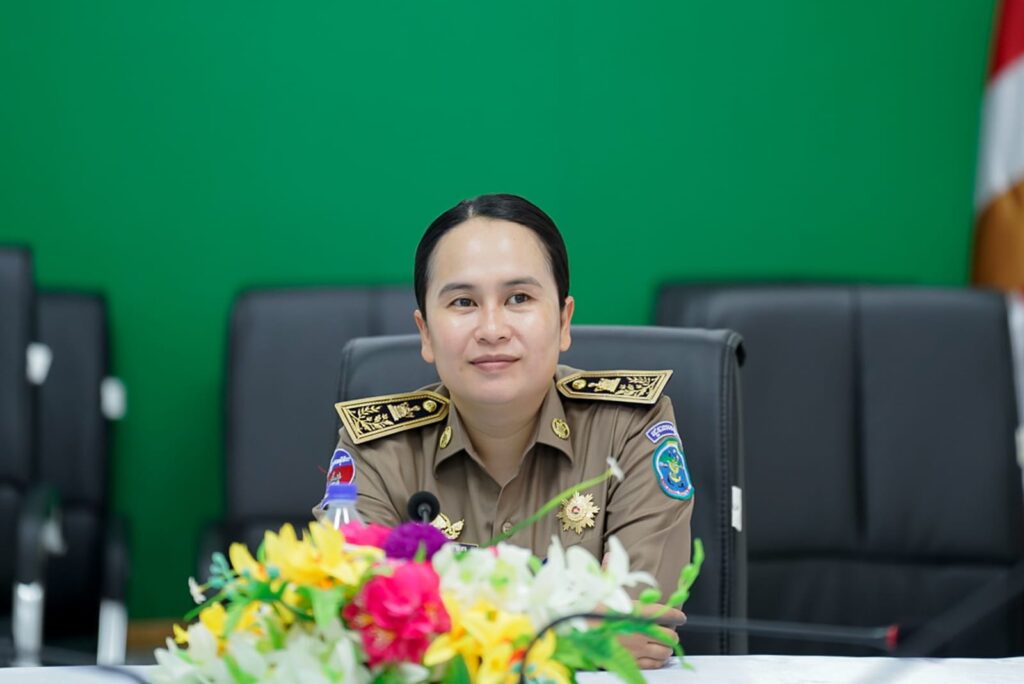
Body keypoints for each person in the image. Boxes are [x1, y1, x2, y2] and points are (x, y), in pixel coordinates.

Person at [320, 194, 694, 669]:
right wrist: (570, 631)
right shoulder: (377, 447)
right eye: (463, 302)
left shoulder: (631, 426)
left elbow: (635, 623)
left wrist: (437, 627)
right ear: (426, 333)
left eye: (519, 298)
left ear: (564, 321)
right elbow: (356, 621)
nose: (492, 329)